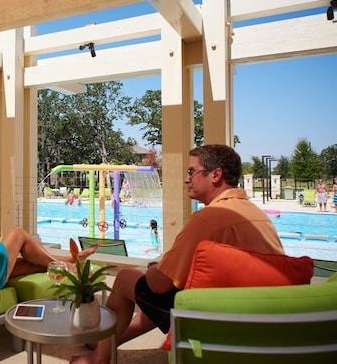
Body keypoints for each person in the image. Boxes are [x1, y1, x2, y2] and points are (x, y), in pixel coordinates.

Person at [70, 144, 285, 364]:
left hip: (218, 320)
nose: (186, 179)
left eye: (191, 172)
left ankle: (98, 358)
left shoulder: (208, 218)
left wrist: (156, 269)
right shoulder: (258, 216)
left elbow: (158, 285)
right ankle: (111, 341)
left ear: (216, 175)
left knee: (128, 279)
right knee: (164, 292)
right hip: (258, 315)